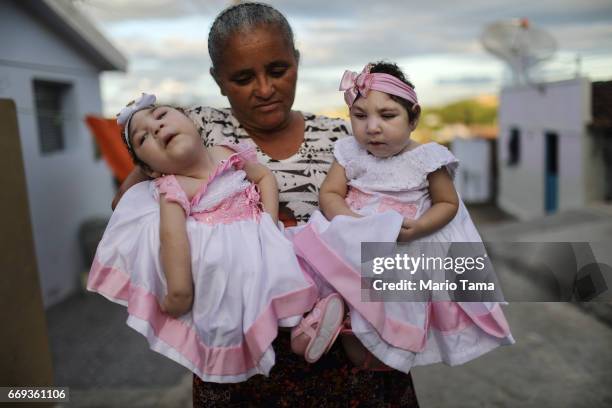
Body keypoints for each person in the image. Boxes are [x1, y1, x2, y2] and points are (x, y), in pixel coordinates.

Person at [114, 2, 420, 406]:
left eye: (278, 70)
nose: (264, 89)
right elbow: (129, 207)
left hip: (353, 362)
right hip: (237, 363)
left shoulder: (346, 137)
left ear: (297, 60)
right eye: (242, 78)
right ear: (218, 80)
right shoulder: (193, 129)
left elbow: (404, 205)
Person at [88, 93, 328, 383]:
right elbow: (172, 240)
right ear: (150, 169)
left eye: (162, 116)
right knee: (247, 292)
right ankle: (301, 333)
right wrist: (179, 292)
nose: (157, 128)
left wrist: (269, 221)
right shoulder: (174, 187)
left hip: (264, 237)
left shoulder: (225, 153)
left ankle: (322, 314)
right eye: (143, 138)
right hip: (231, 261)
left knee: (310, 256)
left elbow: (263, 176)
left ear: (189, 120)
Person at [291, 61, 515, 373]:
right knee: (318, 264)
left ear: (413, 118)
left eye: (387, 115)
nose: (372, 127)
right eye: (359, 116)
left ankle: (362, 334)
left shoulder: (427, 158)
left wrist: (420, 227)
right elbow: (329, 193)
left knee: (390, 301)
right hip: (352, 229)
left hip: (398, 240)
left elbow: (447, 203)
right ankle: (324, 316)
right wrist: (349, 221)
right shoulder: (349, 152)